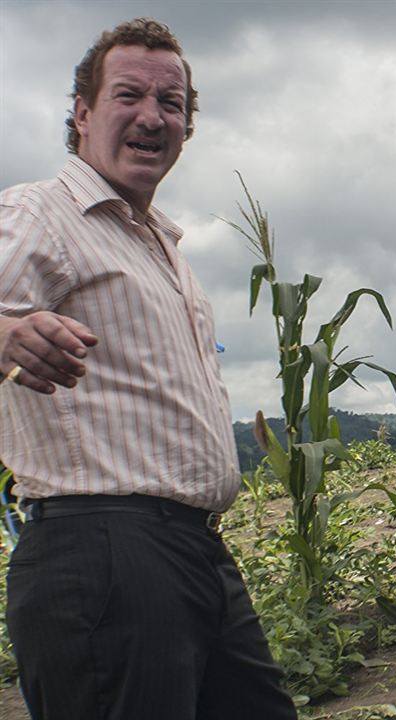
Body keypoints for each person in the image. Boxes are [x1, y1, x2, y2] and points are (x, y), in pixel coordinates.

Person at [0, 18, 298, 720]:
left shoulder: (160, 247)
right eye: (128, 95)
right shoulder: (42, 213)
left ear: (186, 130)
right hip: (101, 552)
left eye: (171, 104)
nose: (152, 116)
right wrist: (6, 332)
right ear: (81, 115)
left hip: (190, 553)